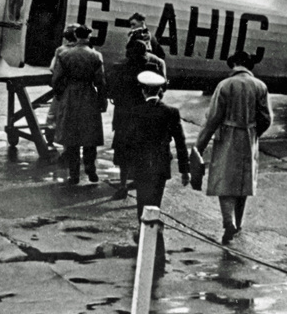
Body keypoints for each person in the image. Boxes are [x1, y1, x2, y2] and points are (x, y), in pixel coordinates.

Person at [193, 50, 272, 245]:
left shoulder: (225, 85)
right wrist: (253, 133)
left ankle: (229, 222)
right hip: (249, 137)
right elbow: (267, 119)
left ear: (235, 64)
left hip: (227, 137)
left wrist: (198, 148)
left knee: (224, 181)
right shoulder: (260, 86)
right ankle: (239, 223)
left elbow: (212, 119)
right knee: (243, 183)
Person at [124, 70, 191, 226]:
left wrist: (127, 166)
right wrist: (185, 170)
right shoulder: (171, 112)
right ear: (160, 91)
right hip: (161, 163)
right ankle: (151, 231)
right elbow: (180, 142)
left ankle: (142, 232)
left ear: (143, 90)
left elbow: (128, 142)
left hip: (141, 164)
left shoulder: (135, 111)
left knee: (142, 200)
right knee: (155, 200)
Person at [107, 38, 166, 199]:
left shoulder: (118, 68)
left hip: (124, 116)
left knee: (123, 152)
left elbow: (110, 91)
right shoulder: (152, 67)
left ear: (127, 52)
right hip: (146, 116)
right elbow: (161, 90)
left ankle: (123, 184)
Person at [51, 23, 108, 185]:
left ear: (75, 36)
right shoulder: (96, 56)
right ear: (88, 37)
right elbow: (100, 82)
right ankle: (91, 171)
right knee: (90, 137)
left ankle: (74, 175)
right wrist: (102, 101)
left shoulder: (64, 54)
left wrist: (61, 94)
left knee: (72, 138)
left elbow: (56, 79)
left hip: (70, 96)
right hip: (89, 95)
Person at [45, 24, 79, 145]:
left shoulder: (60, 50)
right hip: (78, 89)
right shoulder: (88, 50)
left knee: (53, 114)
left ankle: (50, 136)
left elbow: (52, 68)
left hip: (62, 87)